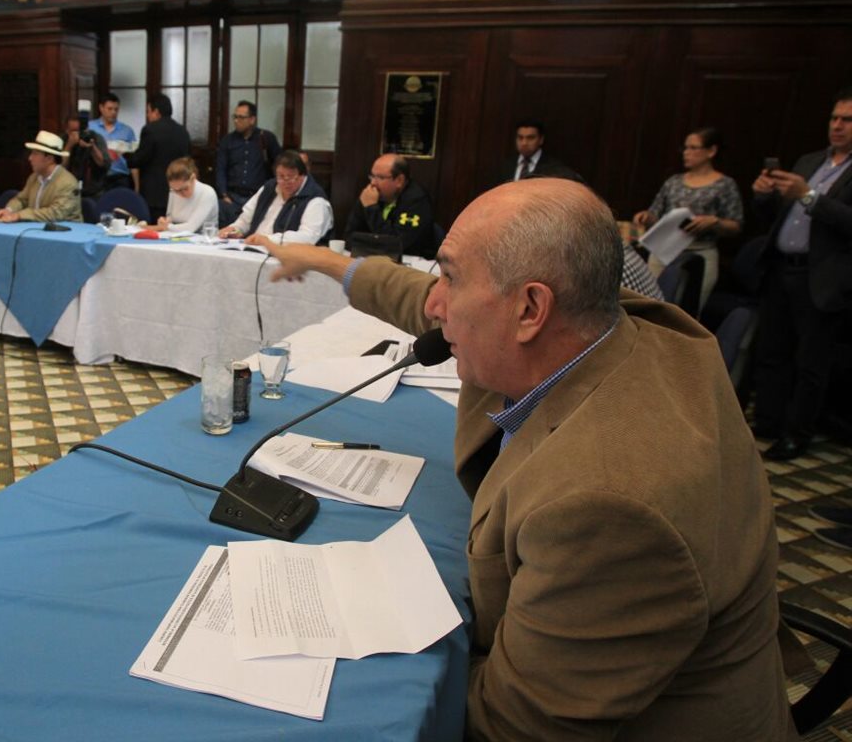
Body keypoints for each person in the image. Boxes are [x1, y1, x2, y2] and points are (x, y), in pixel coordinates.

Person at [258, 178, 793, 740]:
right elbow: (418, 296)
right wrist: (324, 261)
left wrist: (351, 691)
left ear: (531, 309)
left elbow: (515, 726)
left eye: (452, 278)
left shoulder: (609, 509)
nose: (434, 304)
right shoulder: (594, 322)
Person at [751, 89, 852, 462]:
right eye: (834, 118)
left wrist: (808, 196)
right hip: (781, 268)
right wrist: (764, 196)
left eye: (847, 120)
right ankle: (768, 422)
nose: (837, 126)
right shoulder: (810, 160)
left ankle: (797, 434)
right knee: (771, 352)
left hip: (822, 277)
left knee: (810, 362)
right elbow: (776, 215)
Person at [633, 127, 743, 309]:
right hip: (664, 249)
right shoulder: (674, 181)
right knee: (650, 306)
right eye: (685, 148)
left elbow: (736, 225)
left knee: (688, 311)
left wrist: (714, 222)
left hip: (699, 253)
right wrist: (645, 217)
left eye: (693, 148)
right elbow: (655, 213)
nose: (686, 153)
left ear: (711, 151)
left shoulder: (725, 185)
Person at [218, 149, 332, 245]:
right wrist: (235, 229)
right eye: (281, 176)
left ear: (302, 175)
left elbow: (308, 237)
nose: (286, 182)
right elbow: (246, 220)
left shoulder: (316, 200)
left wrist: (267, 240)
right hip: (252, 248)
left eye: (291, 177)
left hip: (287, 258)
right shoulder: (269, 187)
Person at [343, 153, 437, 258]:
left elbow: (397, 244)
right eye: (372, 176)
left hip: (412, 264)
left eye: (380, 177)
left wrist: (371, 209)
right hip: (373, 261)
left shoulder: (416, 201)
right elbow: (350, 238)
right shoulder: (370, 194)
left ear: (399, 180)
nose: (373, 183)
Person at [124, 93, 191, 221]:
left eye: (149, 112)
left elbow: (139, 159)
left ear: (156, 111)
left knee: (153, 230)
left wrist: (126, 156)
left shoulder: (150, 130)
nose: (148, 116)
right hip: (178, 190)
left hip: (153, 194)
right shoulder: (182, 131)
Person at [0, 130, 81, 223]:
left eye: (35, 154)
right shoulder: (34, 177)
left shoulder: (68, 183)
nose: (30, 158)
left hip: (65, 232)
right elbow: (21, 200)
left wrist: (19, 215)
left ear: (49, 159)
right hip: (36, 229)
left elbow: (55, 213)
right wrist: (9, 210)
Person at [215, 100, 281, 225]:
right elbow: (221, 169)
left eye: (241, 117)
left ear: (252, 119)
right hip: (233, 197)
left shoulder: (266, 138)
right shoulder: (227, 141)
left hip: (258, 196)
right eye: (235, 117)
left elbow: (278, 166)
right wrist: (224, 194)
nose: (236, 121)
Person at [491, 120, 582, 187]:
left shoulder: (554, 168)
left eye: (530, 138)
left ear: (541, 140)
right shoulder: (506, 165)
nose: (524, 143)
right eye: (520, 137)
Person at [155, 157, 218, 234]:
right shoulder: (173, 191)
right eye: (175, 190)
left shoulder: (207, 193)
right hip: (177, 238)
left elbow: (190, 228)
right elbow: (170, 218)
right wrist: (165, 221)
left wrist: (166, 226)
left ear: (193, 178)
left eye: (184, 189)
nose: (180, 194)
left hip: (204, 241)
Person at [89, 93, 138, 191]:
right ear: (101, 108)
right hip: (97, 177)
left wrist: (137, 186)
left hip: (121, 178)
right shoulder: (90, 127)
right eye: (110, 109)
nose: (113, 112)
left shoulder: (127, 131)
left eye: (116, 109)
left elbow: (134, 161)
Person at [63, 114, 110, 199]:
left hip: (94, 192)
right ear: (67, 131)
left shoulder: (95, 138)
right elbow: (60, 168)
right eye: (74, 131)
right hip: (69, 192)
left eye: (81, 130)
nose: (79, 134)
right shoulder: (63, 140)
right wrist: (69, 146)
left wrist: (92, 147)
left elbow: (103, 164)